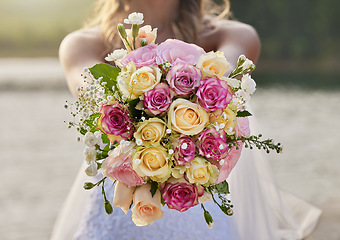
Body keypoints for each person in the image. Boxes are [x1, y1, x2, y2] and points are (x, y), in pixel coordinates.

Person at [51, 0, 321, 239]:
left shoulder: (232, 36)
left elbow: (219, 82)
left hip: (195, 202)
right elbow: (93, 95)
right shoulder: (82, 44)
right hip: (117, 203)